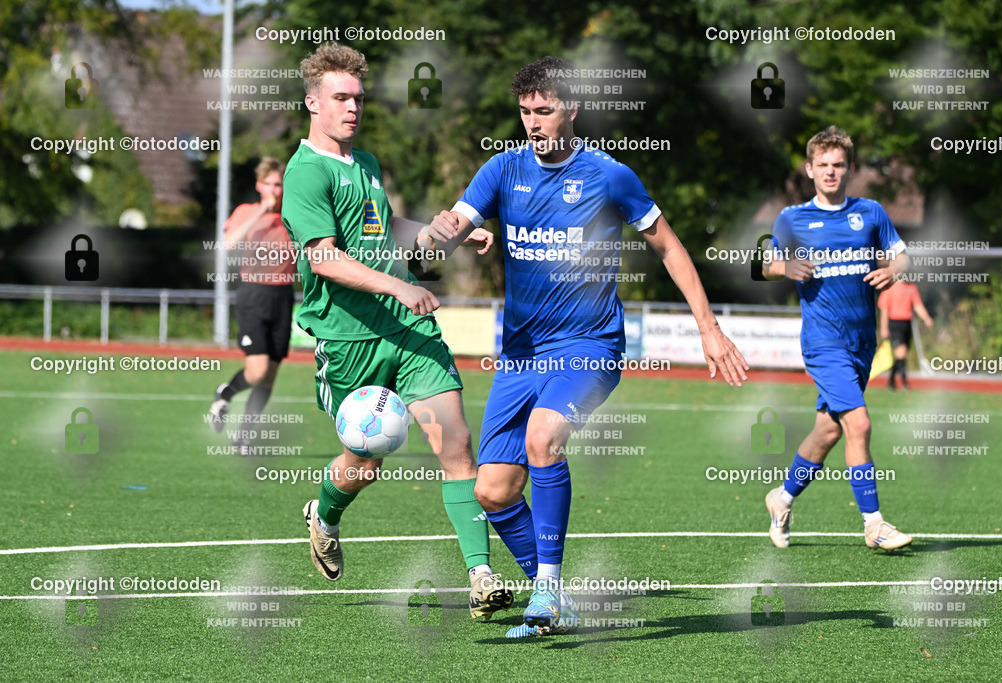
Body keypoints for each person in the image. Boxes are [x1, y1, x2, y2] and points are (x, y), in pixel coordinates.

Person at [424, 56, 749, 638]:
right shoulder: (502, 170)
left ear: (572, 109)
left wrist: (708, 328)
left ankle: (545, 588)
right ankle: (558, 598)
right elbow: (453, 224)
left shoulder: (610, 175)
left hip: (590, 345)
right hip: (521, 353)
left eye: (544, 111)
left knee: (543, 438)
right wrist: (439, 234)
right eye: (525, 112)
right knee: (493, 490)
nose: (533, 122)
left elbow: (670, 248)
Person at [280, 43, 512, 620]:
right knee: (365, 463)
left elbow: (385, 232)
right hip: (350, 340)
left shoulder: (368, 164)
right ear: (313, 103)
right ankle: (325, 514)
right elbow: (325, 258)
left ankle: (481, 575)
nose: (352, 108)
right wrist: (399, 286)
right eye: (340, 98)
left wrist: (450, 233)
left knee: (456, 443)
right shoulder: (305, 173)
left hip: (409, 333)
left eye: (358, 98)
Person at [762, 125, 913, 552]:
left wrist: (894, 270)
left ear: (849, 169)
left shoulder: (870, 212)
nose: (830, 172)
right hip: (823, 342)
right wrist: (784, 268)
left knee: (828, 432)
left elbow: (901, 254)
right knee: (859, 424)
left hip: (863, 342)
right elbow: (766, 262)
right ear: (810, 169)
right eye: (823, 165)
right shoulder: (793, 218)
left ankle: (782, 498)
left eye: (838, 165)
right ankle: (874, 523)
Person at [208, 157, 297, 455]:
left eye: (279, 184)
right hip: (253, 294)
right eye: (269, 183)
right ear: (259, 185)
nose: (274, 189)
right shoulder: (247, 211)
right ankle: (226, 393)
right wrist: (261, 210)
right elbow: (228, 243)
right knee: (257, 371)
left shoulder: (293, 212)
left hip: (282, 296)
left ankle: (243, 438)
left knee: (269, 375)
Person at [878, 279, 932, 389]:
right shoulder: (889, 288)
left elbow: (917, 305)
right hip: (895, 323)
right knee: (901, 352)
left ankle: (891, 379)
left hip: (906, 323)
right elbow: (884, 310)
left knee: (901, 354)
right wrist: (884, 328)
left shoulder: (911, 287)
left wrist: (926, 318)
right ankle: (904, 382)